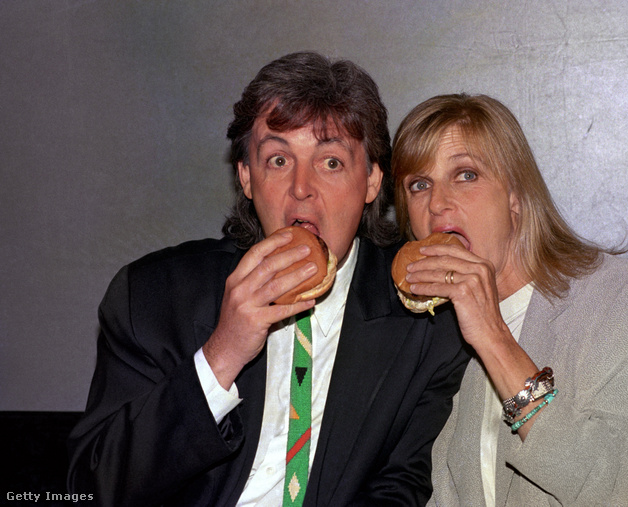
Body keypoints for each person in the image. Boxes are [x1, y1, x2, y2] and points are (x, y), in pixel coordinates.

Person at [67, 52, 468, 507]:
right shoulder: (152, 297)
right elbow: (89, 488)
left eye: (331, 162)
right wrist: (222, 354)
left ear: (373, 181)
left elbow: (402, 488)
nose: (301, 187)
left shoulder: (425, 321)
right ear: (246, 177)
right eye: (278, 160)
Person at [391, 93, 628, 506]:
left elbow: (619, 488)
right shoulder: (438, 337)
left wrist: (494, 338)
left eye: (466, 174)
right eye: (419, 185)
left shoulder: (624, 297)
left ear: (516, 197)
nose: (436, 203)